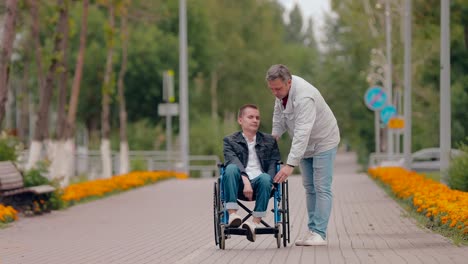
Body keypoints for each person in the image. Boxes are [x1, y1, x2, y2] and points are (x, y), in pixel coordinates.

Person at [265, 64, 340, 246]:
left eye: (278, 89)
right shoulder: (281, 93)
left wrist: (290, 165)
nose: (275, 93)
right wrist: (274, 136)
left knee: (321, 187)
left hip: (323, 141)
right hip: (306, 145)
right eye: (272, 89)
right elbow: (278, 115)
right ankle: (312, 229)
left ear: (289, 83)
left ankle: (319, 233)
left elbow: (302, 132)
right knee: (310, 187)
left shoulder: (304, 96)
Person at [223, 104, 281, 243]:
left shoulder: (269, 141)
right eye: (251, 117)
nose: (255, 120)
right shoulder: (230, 141)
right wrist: (245, 180)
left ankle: (254, 224)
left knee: (266, 177)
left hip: (262, 184)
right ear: (240, 120)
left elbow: (274, 163)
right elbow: (233, 161)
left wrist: (273, 181)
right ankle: (232, 215)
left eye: (257, 118)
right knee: (230, 168)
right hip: (237, 186)